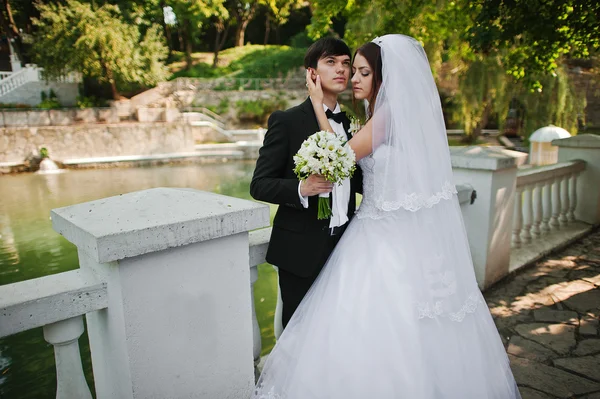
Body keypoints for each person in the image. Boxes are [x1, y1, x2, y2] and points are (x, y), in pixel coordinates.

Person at [253, 34, 521, 399]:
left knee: (379, 333)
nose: (350, 76)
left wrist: (318, 106)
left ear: (384, 76)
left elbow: (342, 160)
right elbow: (265, 183)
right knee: (314, 335)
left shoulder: (373, 121)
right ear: (311, 71)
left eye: (357, 69)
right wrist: (302, 189)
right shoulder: (303, 121)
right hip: (315, 248)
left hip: (370, 242)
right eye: (339, 64)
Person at [250, 37, 363, 328]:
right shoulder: (286, 122)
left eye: (346, 64)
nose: (341, 70)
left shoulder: (350, 124)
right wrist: (302, 189)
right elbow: (259, 184)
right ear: (311, 73)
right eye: (331, 62)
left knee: (336, 331)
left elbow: (357, 180)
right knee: (298, 334)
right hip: (300, 251)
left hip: (345, 247)